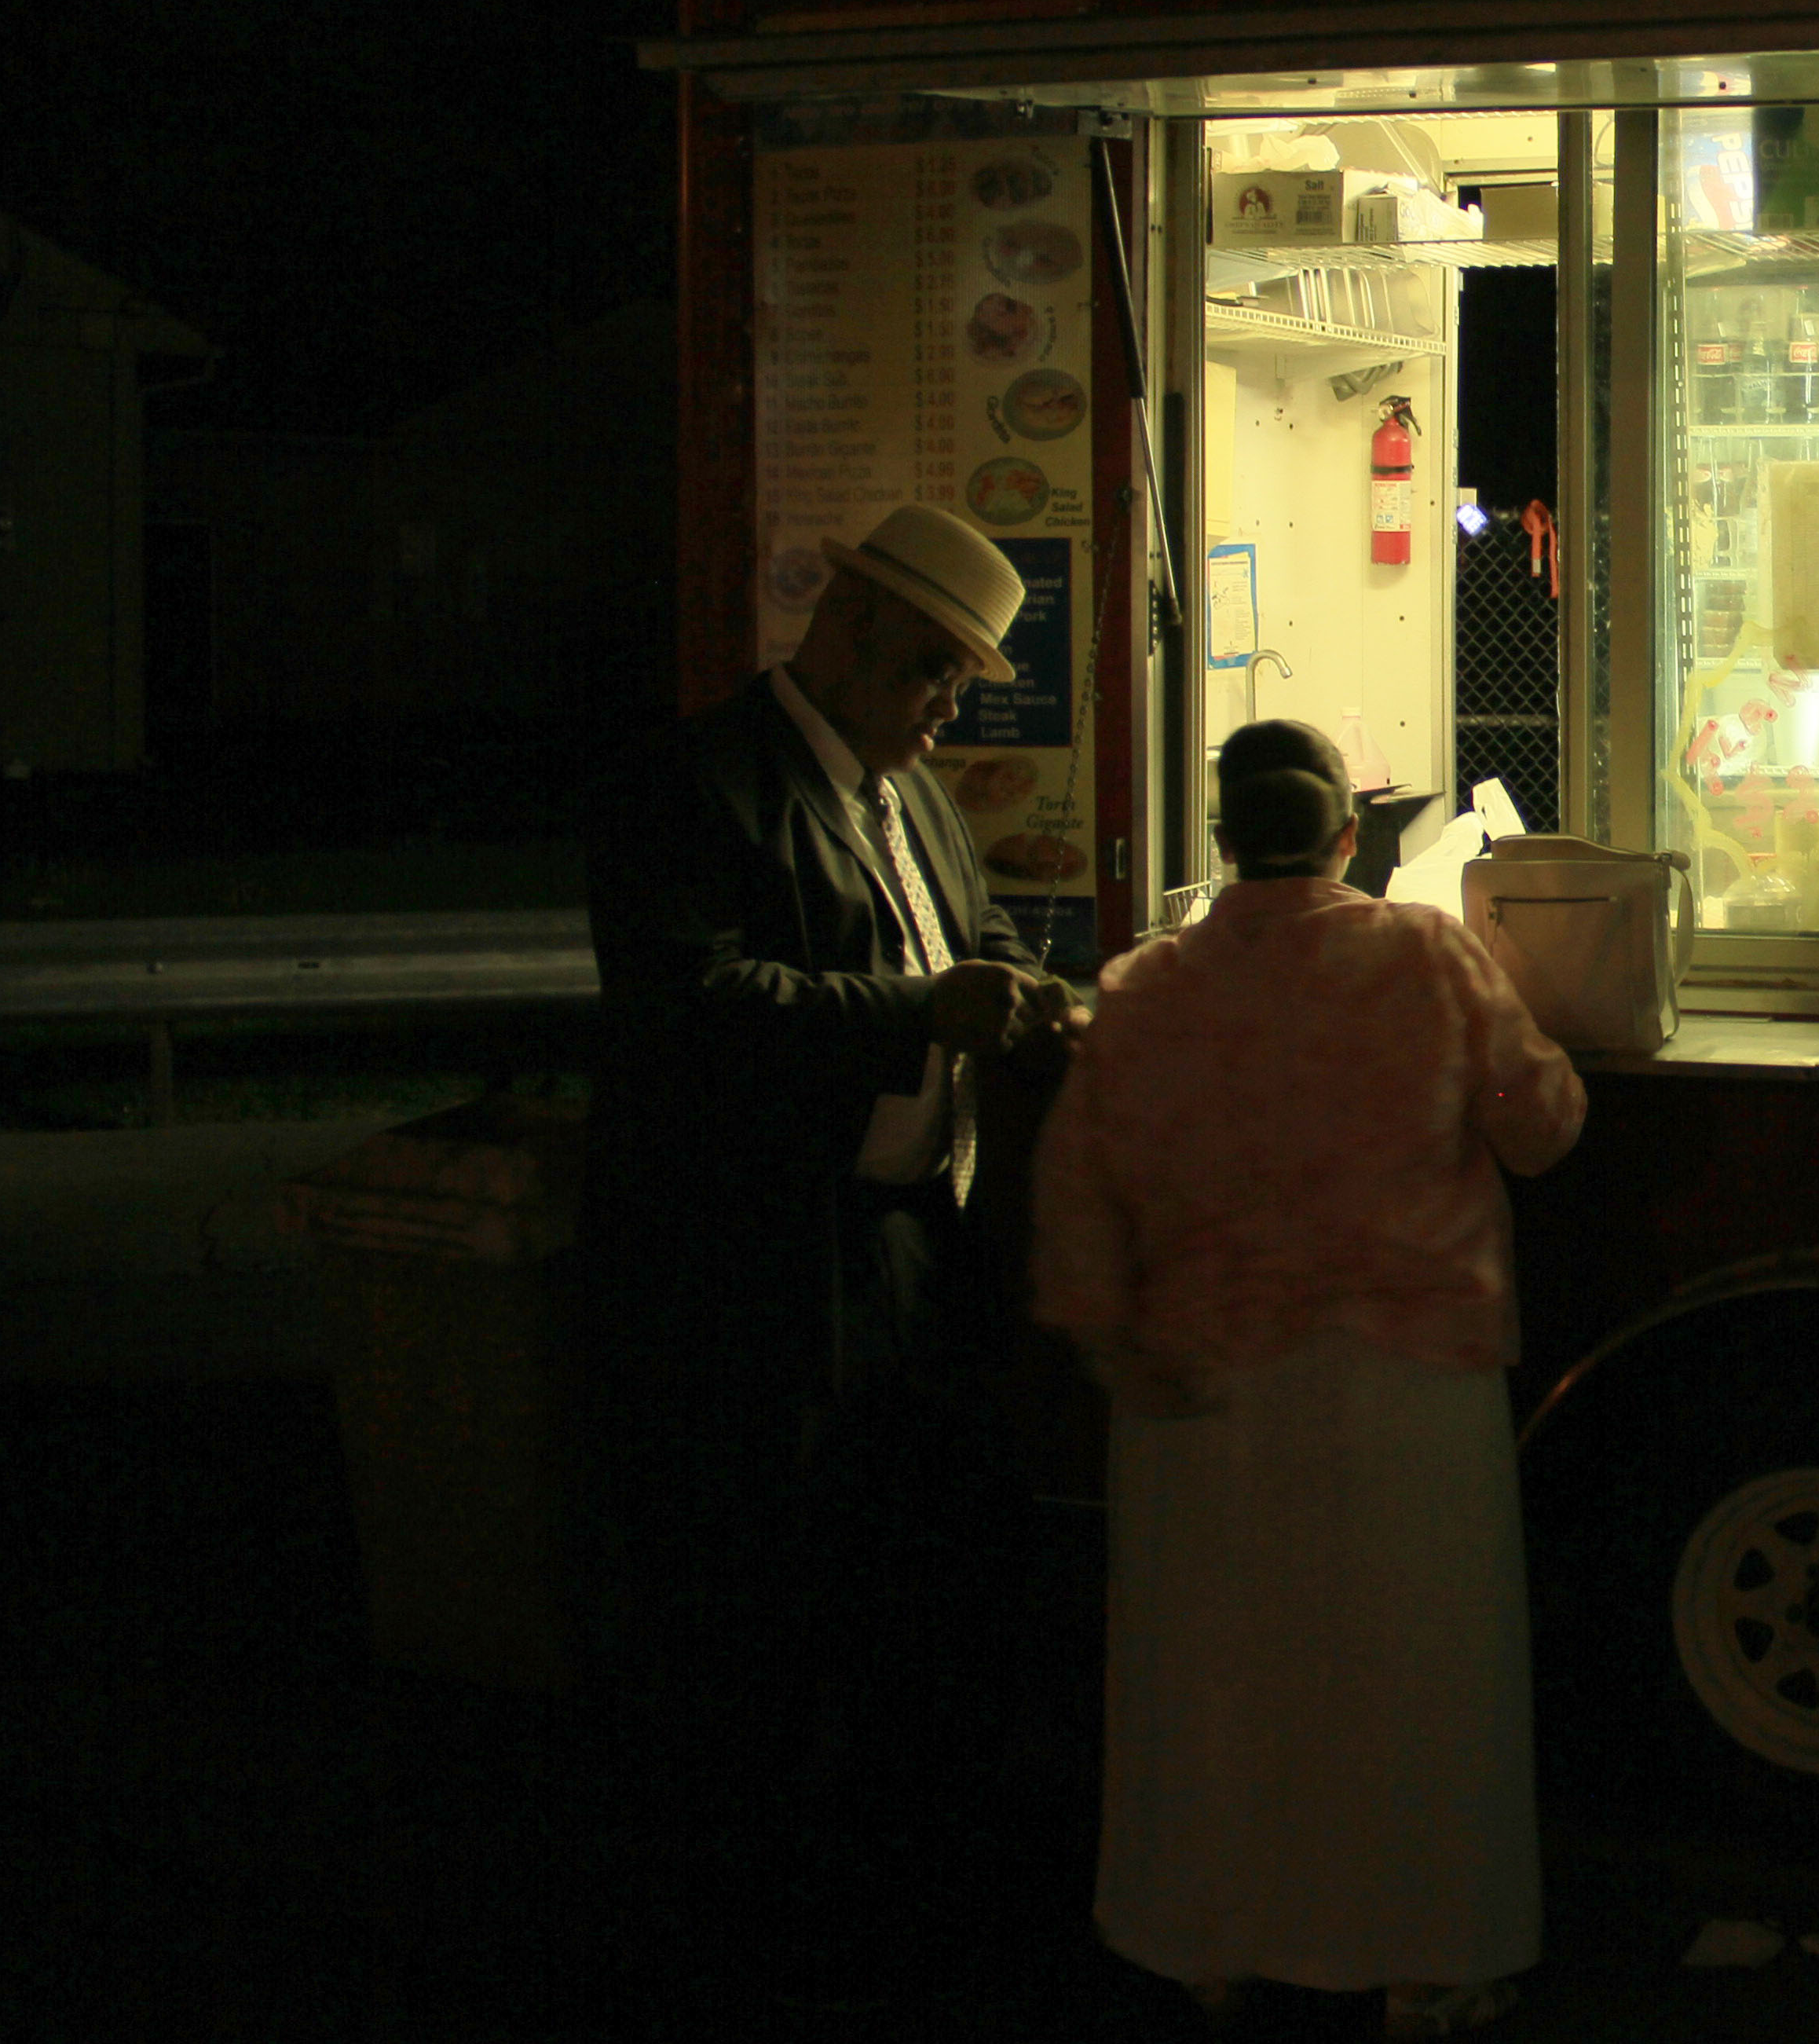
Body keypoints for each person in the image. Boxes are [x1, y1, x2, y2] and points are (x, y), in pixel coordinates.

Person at [576, 500, 1079, 1969]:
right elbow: (691, 1009)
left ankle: (887, 1893)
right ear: (846, 630)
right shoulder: (693, 784)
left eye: (959, 688)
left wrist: (998, 975)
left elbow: (964, 932)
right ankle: (731, 1918)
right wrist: (920, 1012)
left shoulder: (909, 796)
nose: (942, 714)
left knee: (908, 1579)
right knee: (752, 1602)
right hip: (753, 1267)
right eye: (930, 675)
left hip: (909, 1251)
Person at [1032, 720, 1586, 2042]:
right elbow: (1541, 1126)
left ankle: (1203, 1944)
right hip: (1413, 1384)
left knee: (1213, 1681)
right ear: (1351, 833)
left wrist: (1112, 1348)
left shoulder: (1144, 988)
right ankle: (1425, 1961)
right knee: (1413, 1676)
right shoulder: (1429, 954)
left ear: (1221, 836)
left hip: (1200, 1383)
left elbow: (1074, 1205)